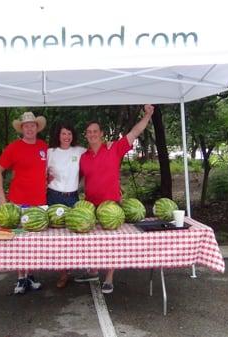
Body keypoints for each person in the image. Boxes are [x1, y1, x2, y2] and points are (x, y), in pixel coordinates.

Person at [75, 104, 155, 294]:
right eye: (89, 132)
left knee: (112, 242)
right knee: (92, 242)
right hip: (91, 207)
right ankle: (93, 270)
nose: (92, 134)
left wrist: (148, 115)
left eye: (95, 131)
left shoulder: (114, 148)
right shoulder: (83, 157)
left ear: (101, 133)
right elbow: (76, 178)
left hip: (113, 205)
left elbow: (134, 133)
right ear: (86, 135)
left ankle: (109, 277)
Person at [0, 111, 48, 295]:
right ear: (22, 129)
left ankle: (31, 275)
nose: (30, 128)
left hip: (40, 204)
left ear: (37, 128)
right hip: (18, 203)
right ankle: (20, 278)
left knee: (34, 243)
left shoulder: (44, 147)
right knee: (19, 241)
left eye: (32, 125)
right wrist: (2, 197)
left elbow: (47, 169)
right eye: (26, 126)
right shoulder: (13, 148)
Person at [46, 123, 87, 288]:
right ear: (58, 135)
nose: (67, 137)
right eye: (64, 134)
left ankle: (76, 266)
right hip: (54, 197)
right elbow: (41, 173)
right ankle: (63, 274)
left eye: (69, 133)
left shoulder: (79, 151)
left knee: (75, 235)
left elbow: (96, 154)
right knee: (58, 238)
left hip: (73, 198)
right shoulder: (50, 152)